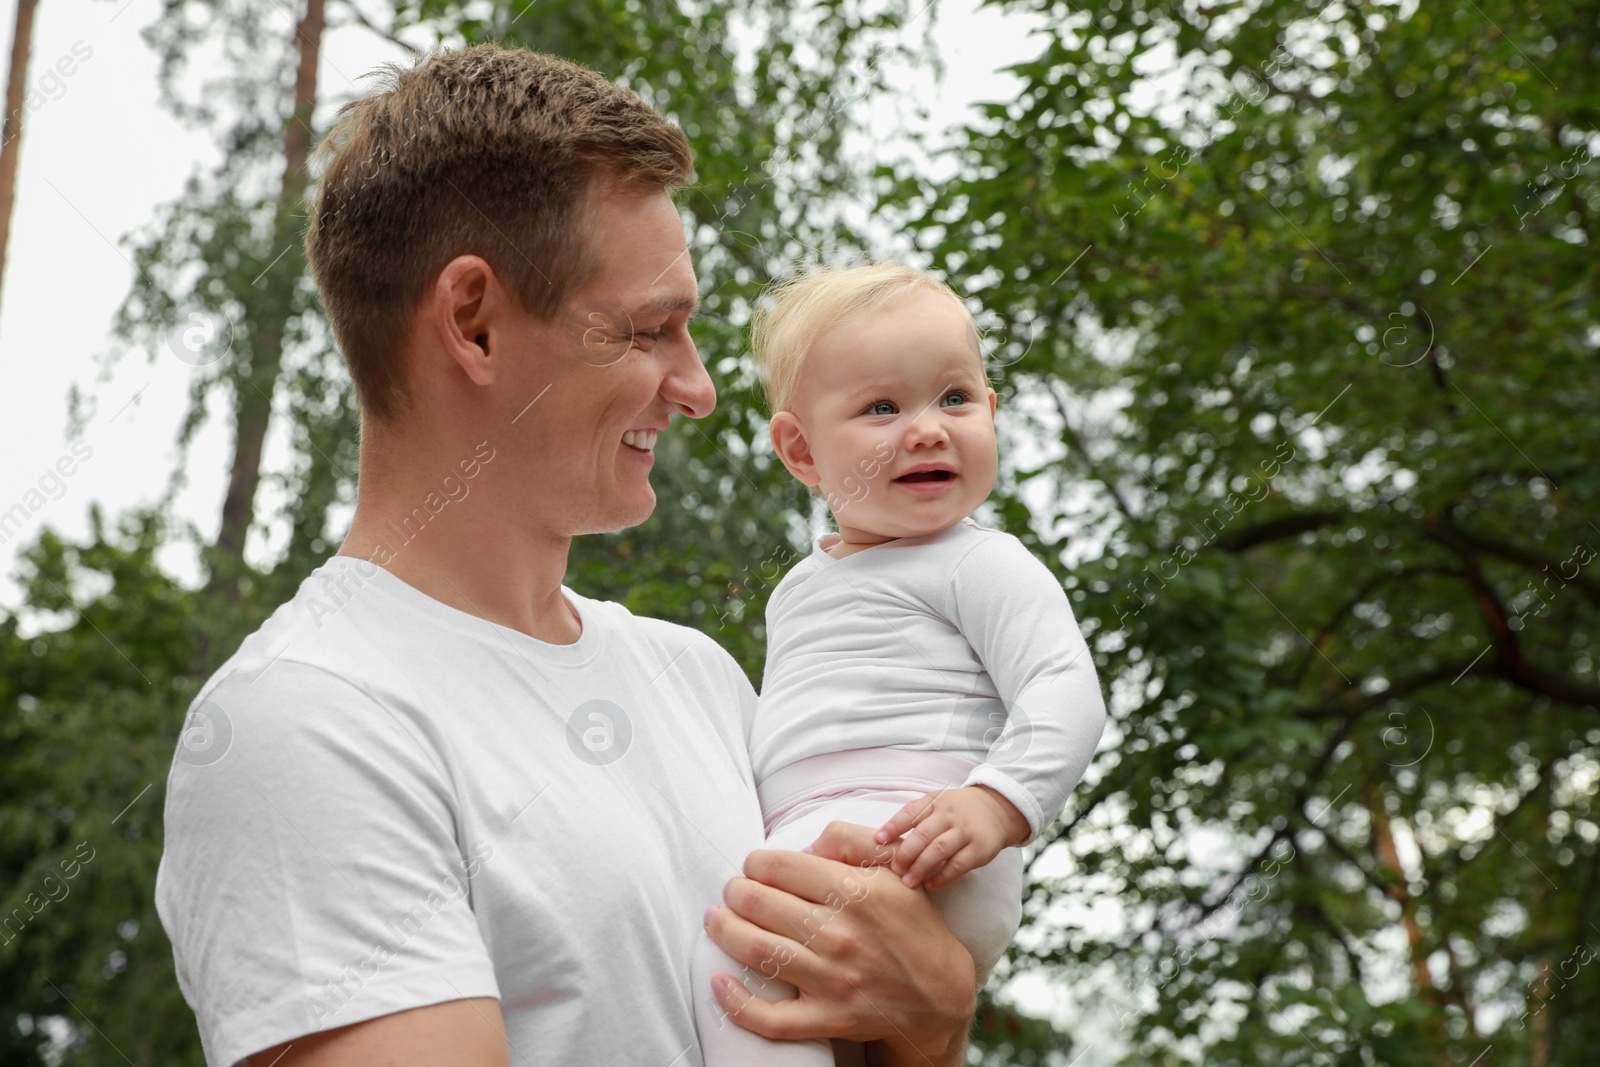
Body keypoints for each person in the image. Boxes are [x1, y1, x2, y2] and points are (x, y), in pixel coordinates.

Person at [153, 45, 977, 1067]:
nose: (699, 387)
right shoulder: (306, 723)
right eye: (649, 330)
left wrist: (932, 1025)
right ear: (474, 324)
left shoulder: (701, 682)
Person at [691, 264, 1109, 1063]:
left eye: (954, 398)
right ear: (801, 449)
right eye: (882, 407)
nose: (927, 429)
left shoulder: (978, 560)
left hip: (925, 837)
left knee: (733, 956)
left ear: (990, 411)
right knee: (795, 1005)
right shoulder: (797, 592)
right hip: (821, 834)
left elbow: (1066, 687)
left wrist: (995, 804)